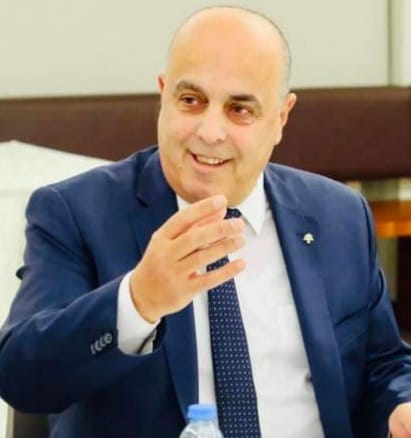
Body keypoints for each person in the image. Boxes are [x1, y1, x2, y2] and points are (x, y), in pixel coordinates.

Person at [1, 6, 411, 438]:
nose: (210, 131)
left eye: (240, 109)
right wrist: (138, 301)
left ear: (280, 118)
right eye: (191, 101)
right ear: (164, 95)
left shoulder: (338, 215)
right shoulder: (75, 212)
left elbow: (382, 364)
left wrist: (401, 405)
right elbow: (22, 378)